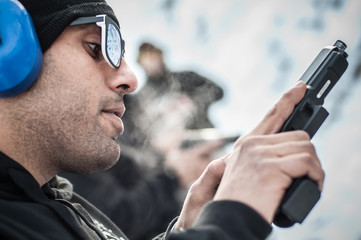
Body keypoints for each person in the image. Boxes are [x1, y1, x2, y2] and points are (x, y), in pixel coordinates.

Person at [0, 0, 325, 240]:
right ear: (9, 49)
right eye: (96, 48)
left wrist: (189, 226)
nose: (131, 79)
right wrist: (232, 219)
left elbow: (215, 90)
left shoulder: (59, 199)